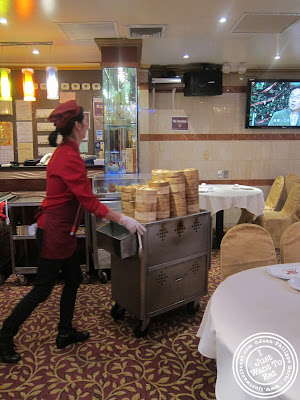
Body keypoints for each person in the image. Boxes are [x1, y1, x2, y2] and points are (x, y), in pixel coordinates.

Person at [0, 100, 146, 364]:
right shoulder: (68, 157)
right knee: (42, 290)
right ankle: (4, 336)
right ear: (78, 126)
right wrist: (124, 219)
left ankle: (64, 331)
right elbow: (89, 202)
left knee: (74, 279)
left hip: (60, 231)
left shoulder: (65, 153)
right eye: (86, 119)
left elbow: (82, 198)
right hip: (54, 232)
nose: (89, 123)